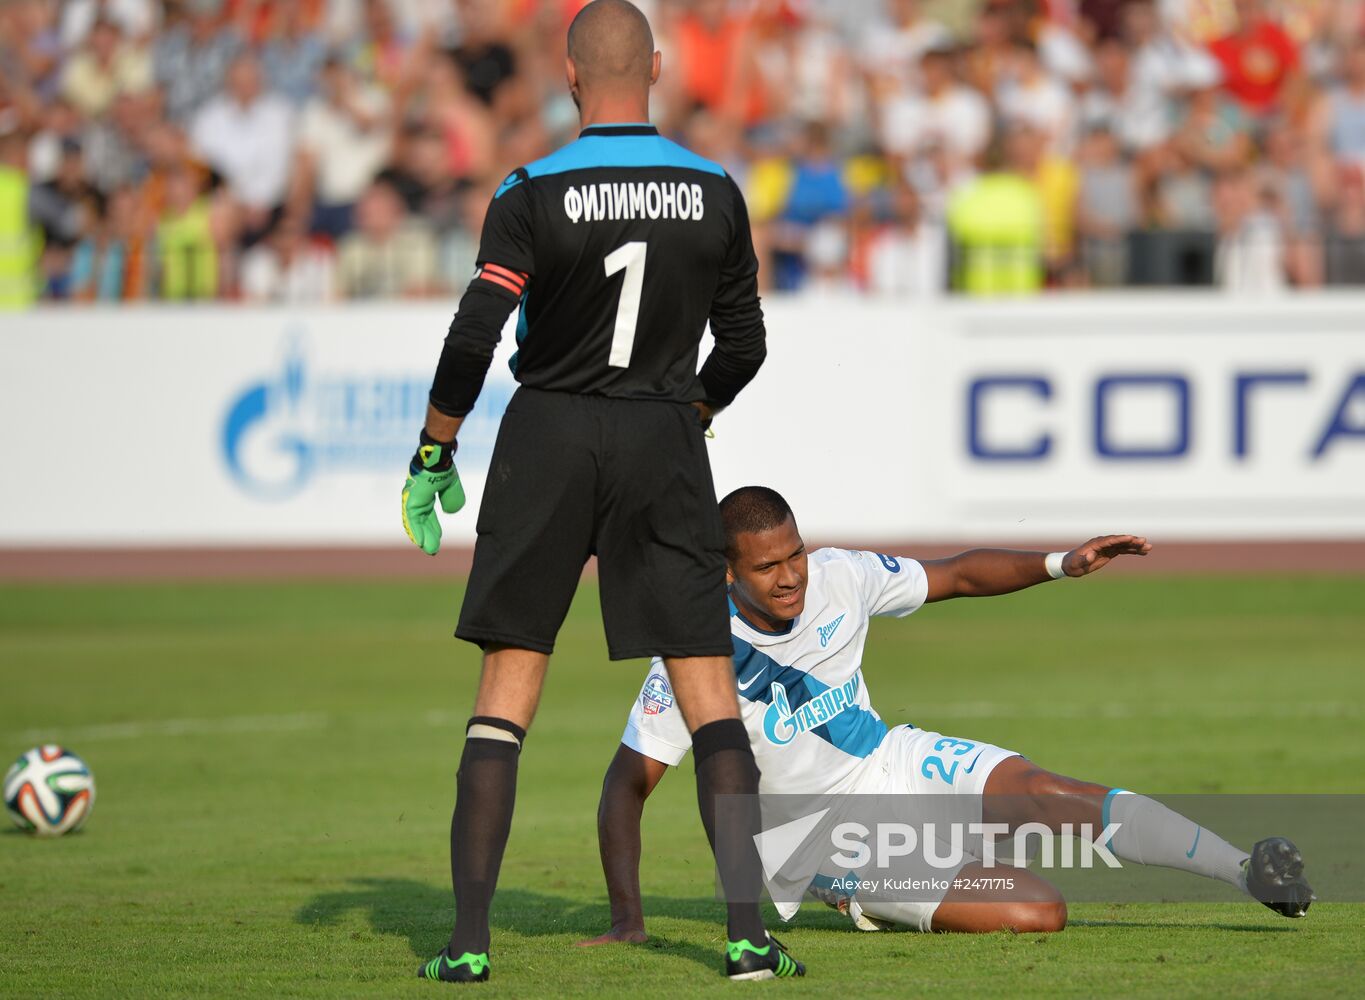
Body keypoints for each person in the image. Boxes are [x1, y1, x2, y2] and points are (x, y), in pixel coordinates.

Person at [400, 0, 800, 984]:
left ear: (570, 75)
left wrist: (432, 453)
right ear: (657, 67)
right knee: (710, 693)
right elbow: (745, 342)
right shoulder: (714, 189)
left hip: (549, 433)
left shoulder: (531, 188)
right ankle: (746, 938)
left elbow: (473, 334)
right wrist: (691, 413)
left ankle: (467, 944)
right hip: (662, 435)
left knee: (507, 689)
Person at [582, 486, 1314, 941]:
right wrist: (627, 920)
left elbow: (957, 573)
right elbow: (626, 785)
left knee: (1046, 793)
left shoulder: (839, 575)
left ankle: (1246, 872)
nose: (791, 577)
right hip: (820, 836)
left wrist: (1062, 563)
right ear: (726, 571)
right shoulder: (693, 654)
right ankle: (837, 886)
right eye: (767, 567)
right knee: (1037, 910)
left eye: (793, 555)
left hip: (890, 759)